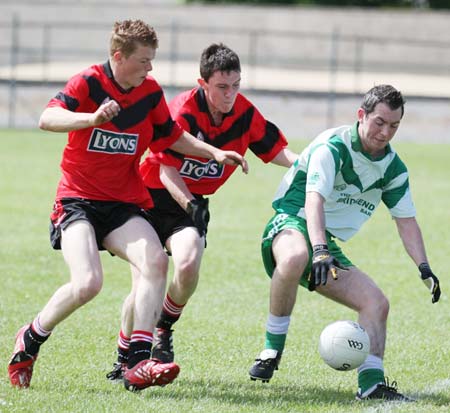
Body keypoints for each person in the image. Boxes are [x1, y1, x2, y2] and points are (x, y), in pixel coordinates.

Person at [7, 20, 247, 392]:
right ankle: (31, 337)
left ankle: (137, 362)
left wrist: (213, 151)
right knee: (88, 283)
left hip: (122, 203)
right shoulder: (88, 83)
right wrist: (91, 118)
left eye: (152, 60)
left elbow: (171, 137)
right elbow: (47, 117)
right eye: (144, 60)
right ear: (119, 57)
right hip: (77, 200)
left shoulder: (149, 93)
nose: (150, 68)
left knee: (155, 261)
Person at [106, 43, 299, 381]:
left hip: (188, 201)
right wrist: (192, 207)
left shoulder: (244, 113)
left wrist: (312, 166)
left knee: (189, 262)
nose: (230, 94)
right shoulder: (182, 110)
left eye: (236, 85)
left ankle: (163, 327)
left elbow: (277, 150)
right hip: (150, 196)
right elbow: (166, 171)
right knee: (145, 280)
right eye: (222, 87)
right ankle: (124, 359)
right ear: (203, 83)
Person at [248, 84, 441, 402]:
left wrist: (423, 266)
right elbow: (314, 202)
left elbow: (405, 220)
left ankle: (372, 384)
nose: (385, 132)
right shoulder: (333, 147)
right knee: (296, 256)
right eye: (379, 122)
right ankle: (271, 350)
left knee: (376, 303)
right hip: (291, 223)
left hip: (325, 242)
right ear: (361, 115)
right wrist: (320, 249)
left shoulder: (393, 168)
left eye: (394, 126)